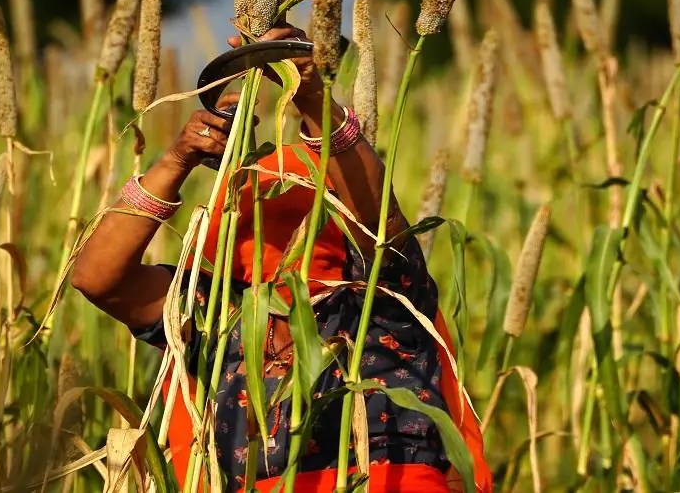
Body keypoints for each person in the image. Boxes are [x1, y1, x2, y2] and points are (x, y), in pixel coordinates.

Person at [71, 24, 491, 493]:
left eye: (302, 205)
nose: (280, 229)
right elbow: (98, 278)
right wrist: (178, 159)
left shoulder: (381, 295)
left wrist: (311, 93)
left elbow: (375, 215)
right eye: (262, 209)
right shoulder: (218, 314)